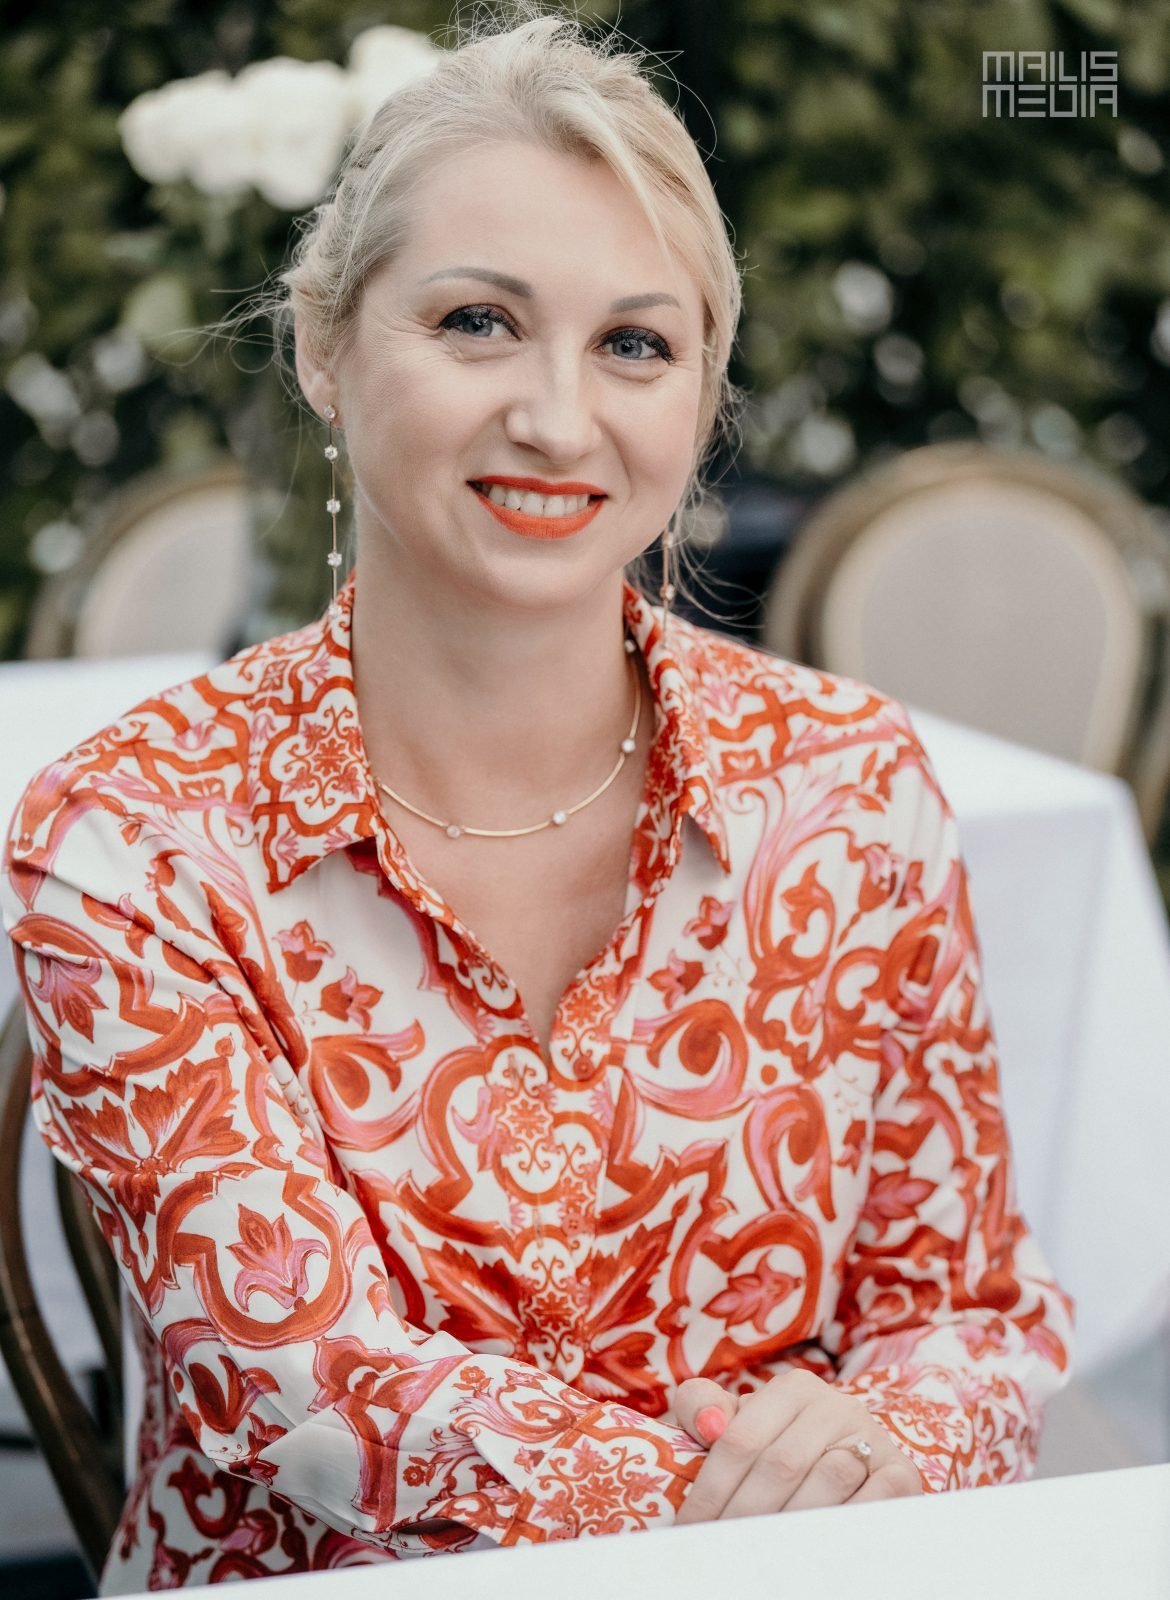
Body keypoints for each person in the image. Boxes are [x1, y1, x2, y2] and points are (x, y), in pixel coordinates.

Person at [1, 9, 1073, 1592]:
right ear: (321, 344)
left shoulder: (852, 792)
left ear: (699, 394)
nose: (560, 420)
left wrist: (891, 1440)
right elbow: (306, 1389)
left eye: (634, 345)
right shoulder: (132, 834)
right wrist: (748, 1517)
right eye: (477, 322)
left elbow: (967, 1316)